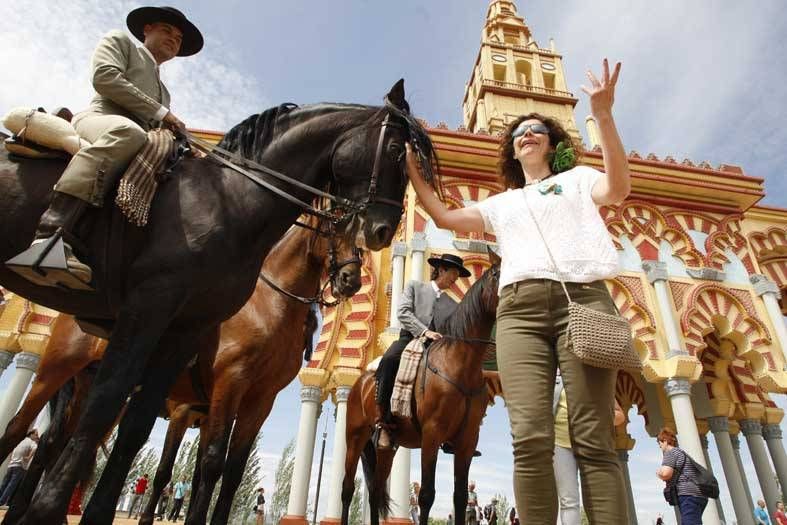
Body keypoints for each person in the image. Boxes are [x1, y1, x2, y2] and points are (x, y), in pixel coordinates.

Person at [404, 59, 630, 523]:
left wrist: (603, 115)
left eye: (536, 130)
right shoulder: (502, 203)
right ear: (511, 149)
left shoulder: (578, 179)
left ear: (553, 143)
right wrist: (412, 169)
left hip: (581, 301)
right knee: (528, 437)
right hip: (518, 313)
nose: (526, 134)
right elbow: (445, 218)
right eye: (518, 132)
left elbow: (618, 188)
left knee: (593, 436)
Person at [7, 6, 203, 288]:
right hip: (99, 121)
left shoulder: (165, 92)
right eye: (167, 30)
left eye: (179, 37)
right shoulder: (120, 42)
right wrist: (162, 113)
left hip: (139, 140)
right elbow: (105, 77)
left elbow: (157, 127)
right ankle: (49, 236)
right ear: (147, 29)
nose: (174, 38)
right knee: (128, 133)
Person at [374, 253, 469, 448]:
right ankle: (383, 422)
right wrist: (425, 332)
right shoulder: (415, 287)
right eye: (453, 273)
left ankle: (452, 431)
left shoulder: (452, 305)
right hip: (410, 338)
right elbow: (403, 313)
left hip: (436, 349)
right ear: (441, 270)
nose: (455, 279)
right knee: (390, 359)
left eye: (457, 276)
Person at [552, 370, 626, 524]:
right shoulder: (552, 376)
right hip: (560, 443)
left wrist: (597, 418)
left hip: (590, 442)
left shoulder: (592, 378)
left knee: (599, 496)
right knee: (568, 499)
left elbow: (619, 416)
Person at [657, 428, 708, 525]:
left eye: (660, 443)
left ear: (665, 441)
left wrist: (658, 472)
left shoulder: (670, 452)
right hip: (699, 495)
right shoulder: (681, 453)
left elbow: (666, 474)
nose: (660, 446)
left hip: (688, 495)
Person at [0, 429, 39, 506]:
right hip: (20, 466)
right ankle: (1, 501)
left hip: (11, 465)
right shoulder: (31, 442)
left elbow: (13, 450)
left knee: (4, 483)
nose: (37, 436)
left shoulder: (21, 441)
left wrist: (12, 459)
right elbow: (35, 448)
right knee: (11, 485)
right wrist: (28, 457)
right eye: (36, 434)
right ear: (31, 435)